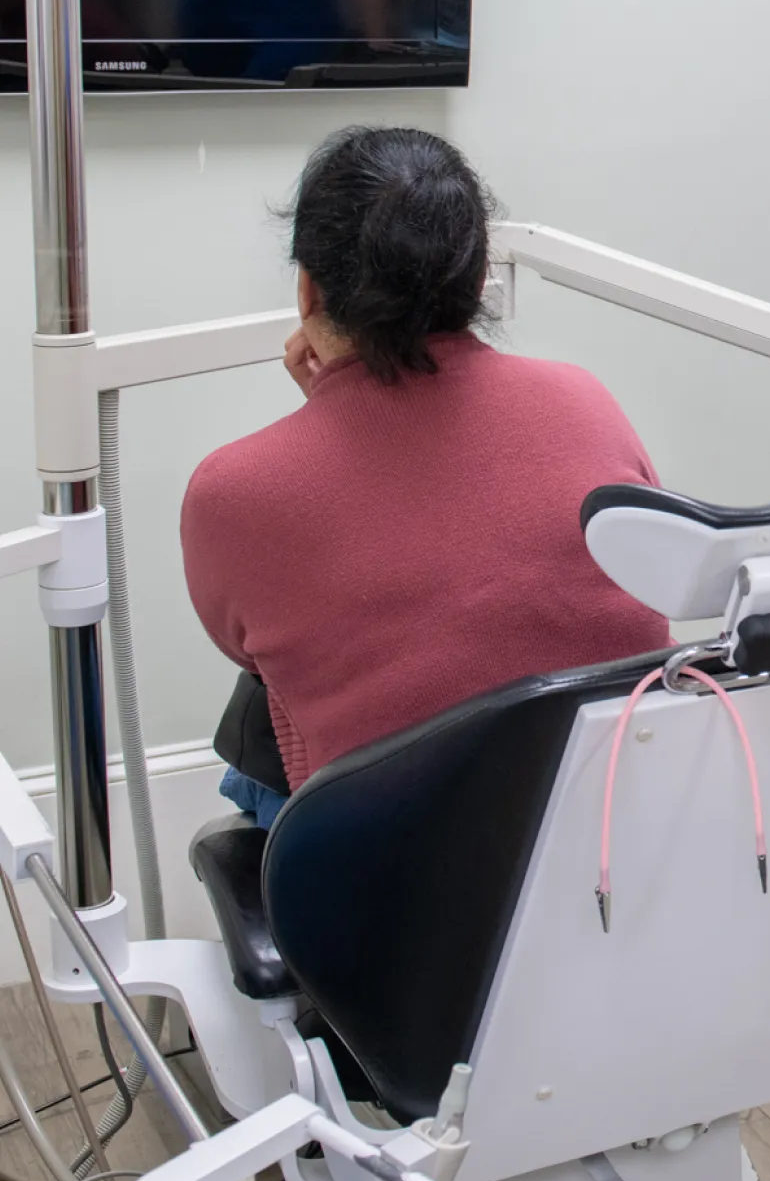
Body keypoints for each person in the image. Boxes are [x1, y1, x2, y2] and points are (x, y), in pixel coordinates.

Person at [182, 126, 672, 826]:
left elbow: (252, 649)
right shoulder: (585, 402)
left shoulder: (234, 489)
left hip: (398, 885)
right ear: (478, 280)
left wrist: (327, 424)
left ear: (308, 290)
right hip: (604, 831)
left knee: (259, 723)